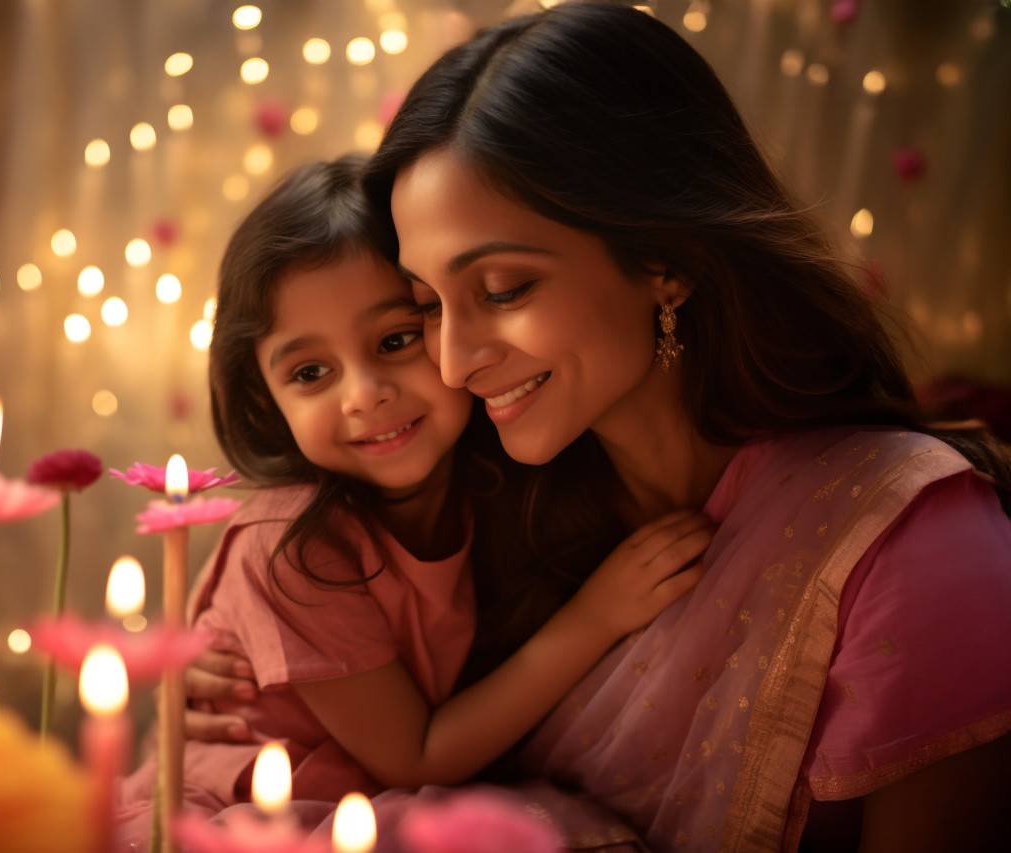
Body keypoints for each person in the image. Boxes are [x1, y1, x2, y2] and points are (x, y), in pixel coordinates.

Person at [186, 3, 1011, 850]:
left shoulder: (907, 539)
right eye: (426, 308)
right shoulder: (486, 497)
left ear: (667, 261)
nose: (450, 361)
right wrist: (225, 667)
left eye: (503, 289)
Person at [114, 155, 709, 844]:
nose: (364, 393)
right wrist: (597, 616)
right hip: (253, 820)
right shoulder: (292, 546)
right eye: (311, 372)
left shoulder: (499, 482)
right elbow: (414, 753)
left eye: (396, 340)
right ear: (267, 400)